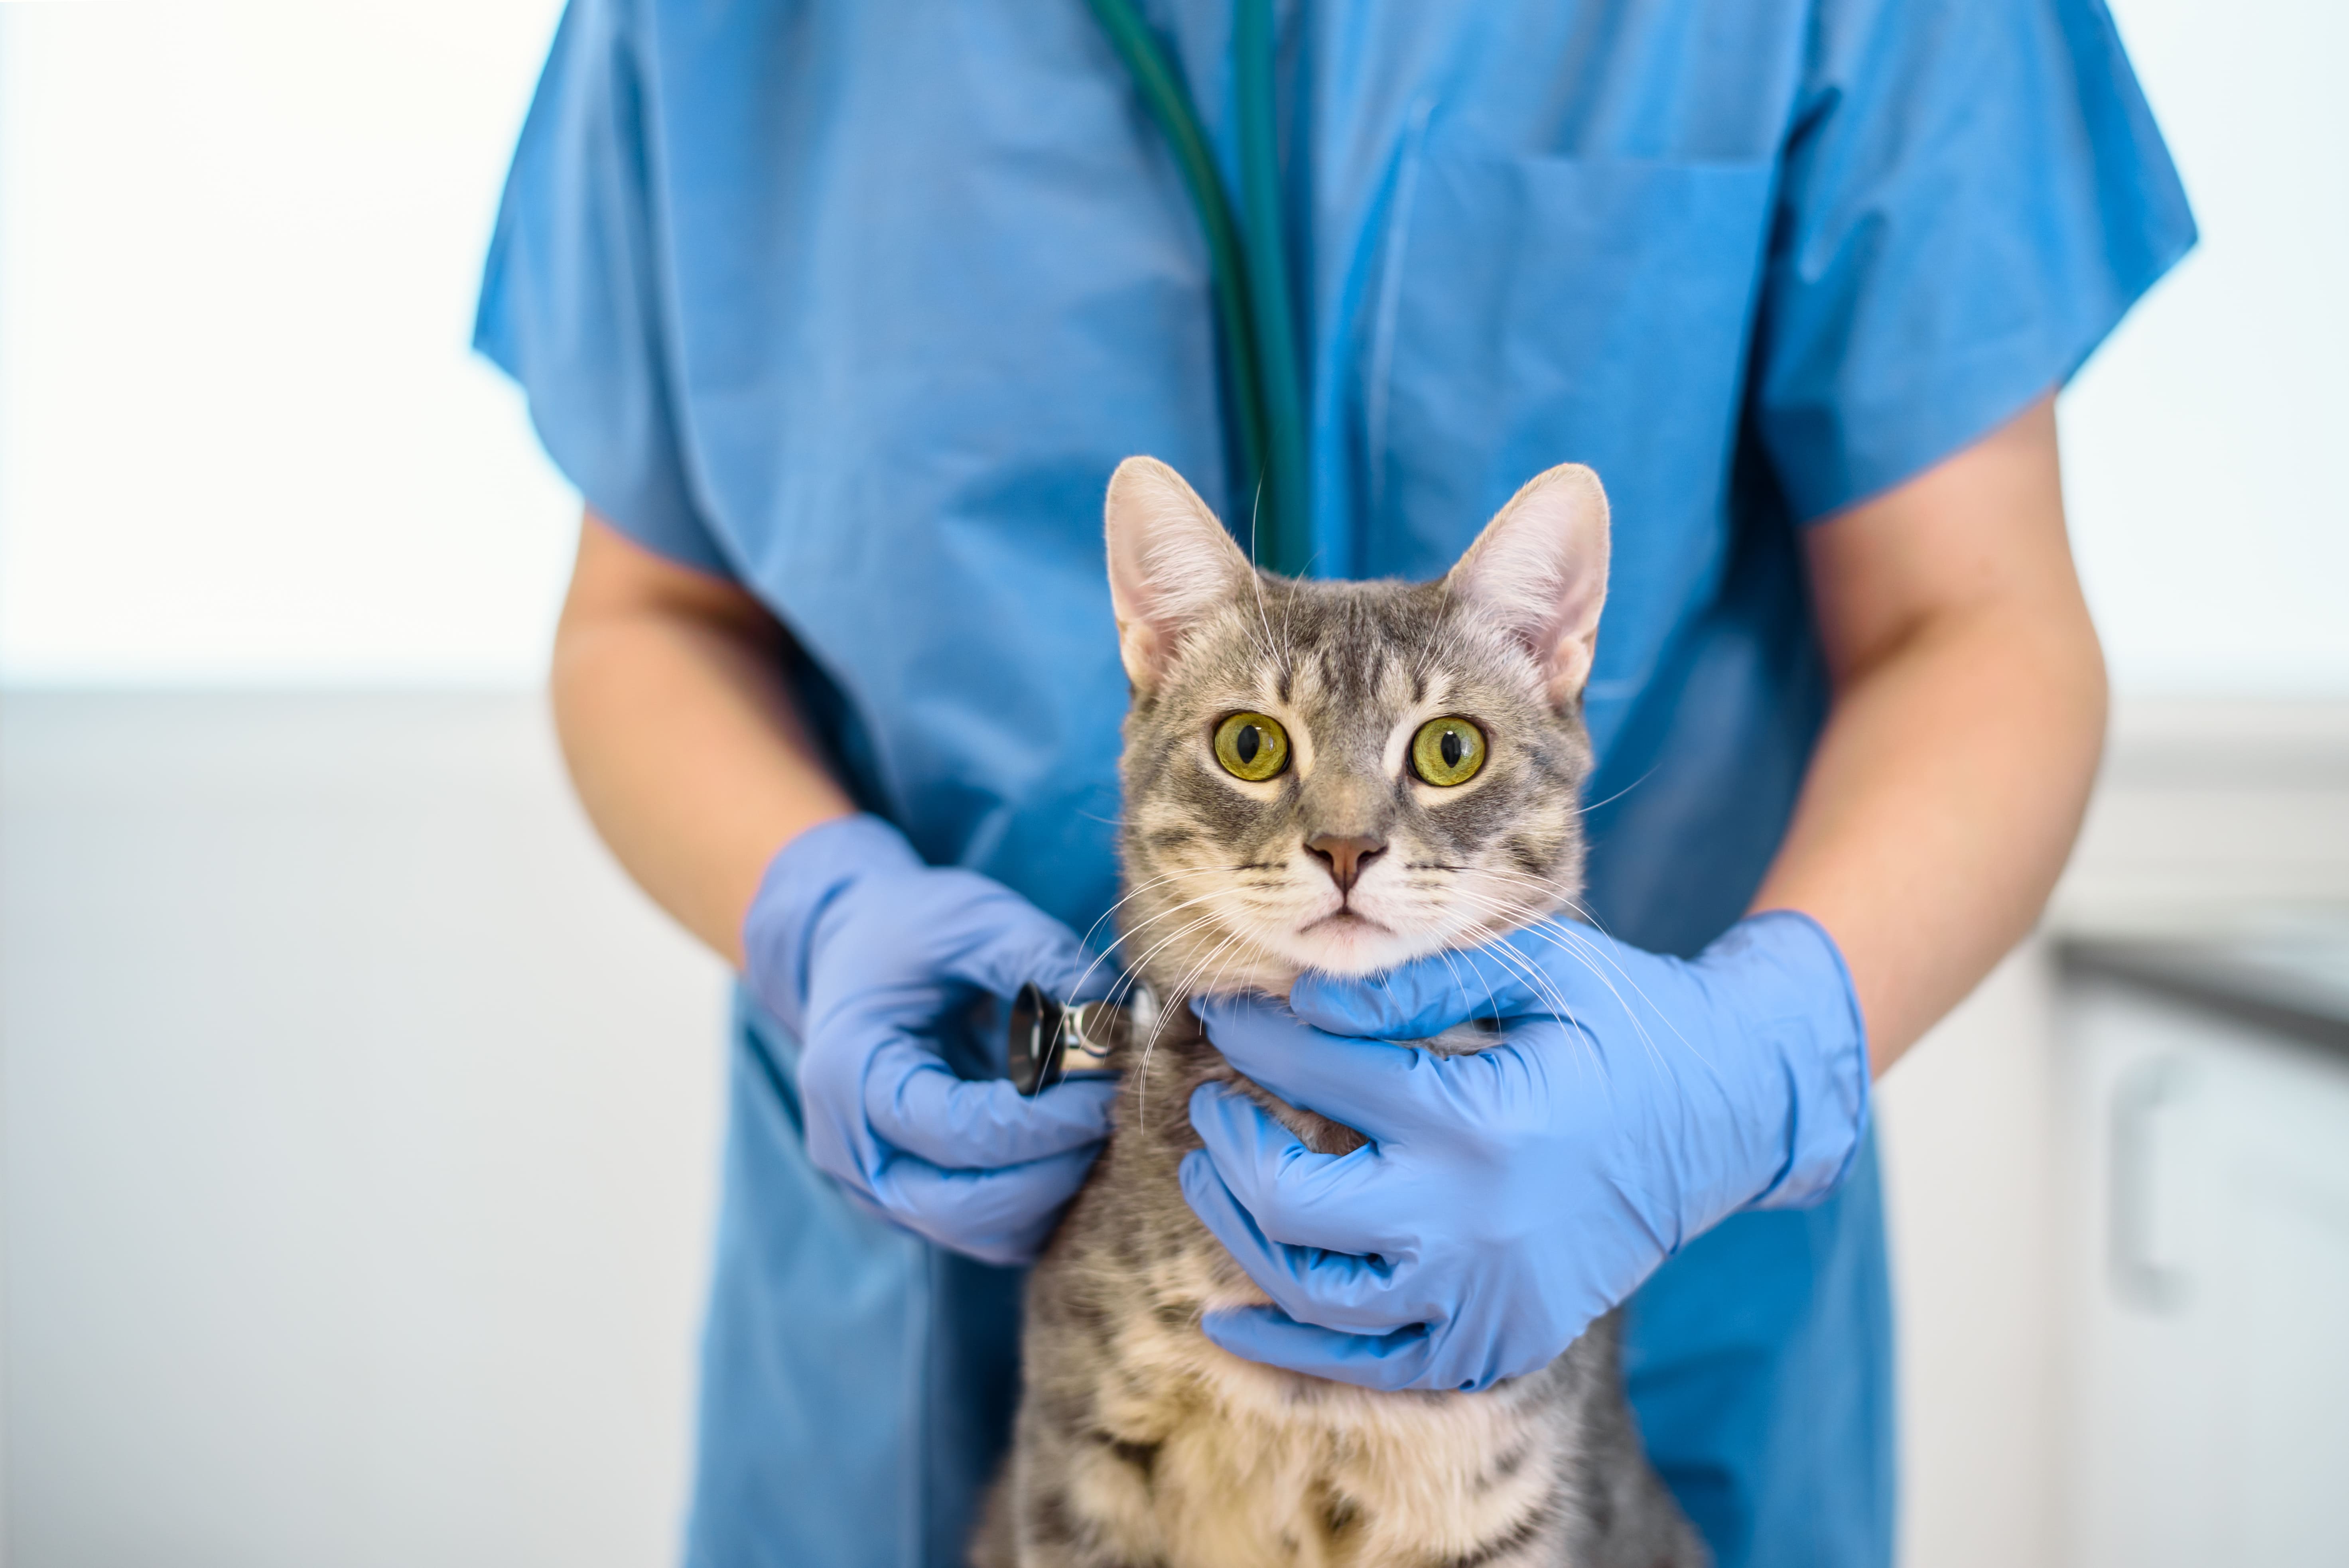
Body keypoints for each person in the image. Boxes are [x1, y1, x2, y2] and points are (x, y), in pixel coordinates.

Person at [475, 1, 2191, 1562]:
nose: (1351, 836)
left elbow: (1979, 621)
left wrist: (1754, 1058)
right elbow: (647, 614)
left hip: (1640, 1291)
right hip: (931, 1290)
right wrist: (819, 907)